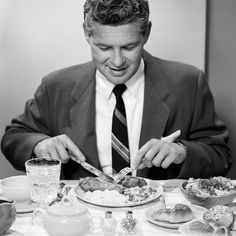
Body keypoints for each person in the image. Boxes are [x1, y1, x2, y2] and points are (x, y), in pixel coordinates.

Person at [1, 0, 232, 180]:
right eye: (104, 48)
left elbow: (221, 157)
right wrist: (39, 145)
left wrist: (182, 152)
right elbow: (13, 138)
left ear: (146, 33)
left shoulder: (189, 83)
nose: (118, 61)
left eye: (129, 46)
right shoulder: (56, 85)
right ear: (87, 34)